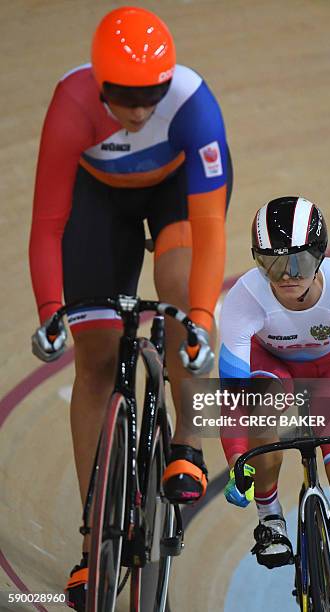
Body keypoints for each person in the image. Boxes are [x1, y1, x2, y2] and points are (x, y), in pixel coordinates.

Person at [29, 6, 232, 609]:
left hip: (179, 195)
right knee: (93, 358)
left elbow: (211, 227)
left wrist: (199, 319)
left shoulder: (194, 106)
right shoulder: (71, 104)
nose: (141, 110)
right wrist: (48, 308)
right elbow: (47, 224)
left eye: (152, 95)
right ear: (99, 84)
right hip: (99, 201)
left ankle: (188, 445)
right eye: (125, 96)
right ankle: (94, 550)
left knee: (178, 293)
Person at [219, 196, 330, 612]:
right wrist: (237, 457)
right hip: (272, 367)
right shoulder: (244, 298)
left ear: (319, 255)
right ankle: (271, 517)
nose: (285, 276)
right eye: (271, 263)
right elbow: (232, 391)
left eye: (297, 262)